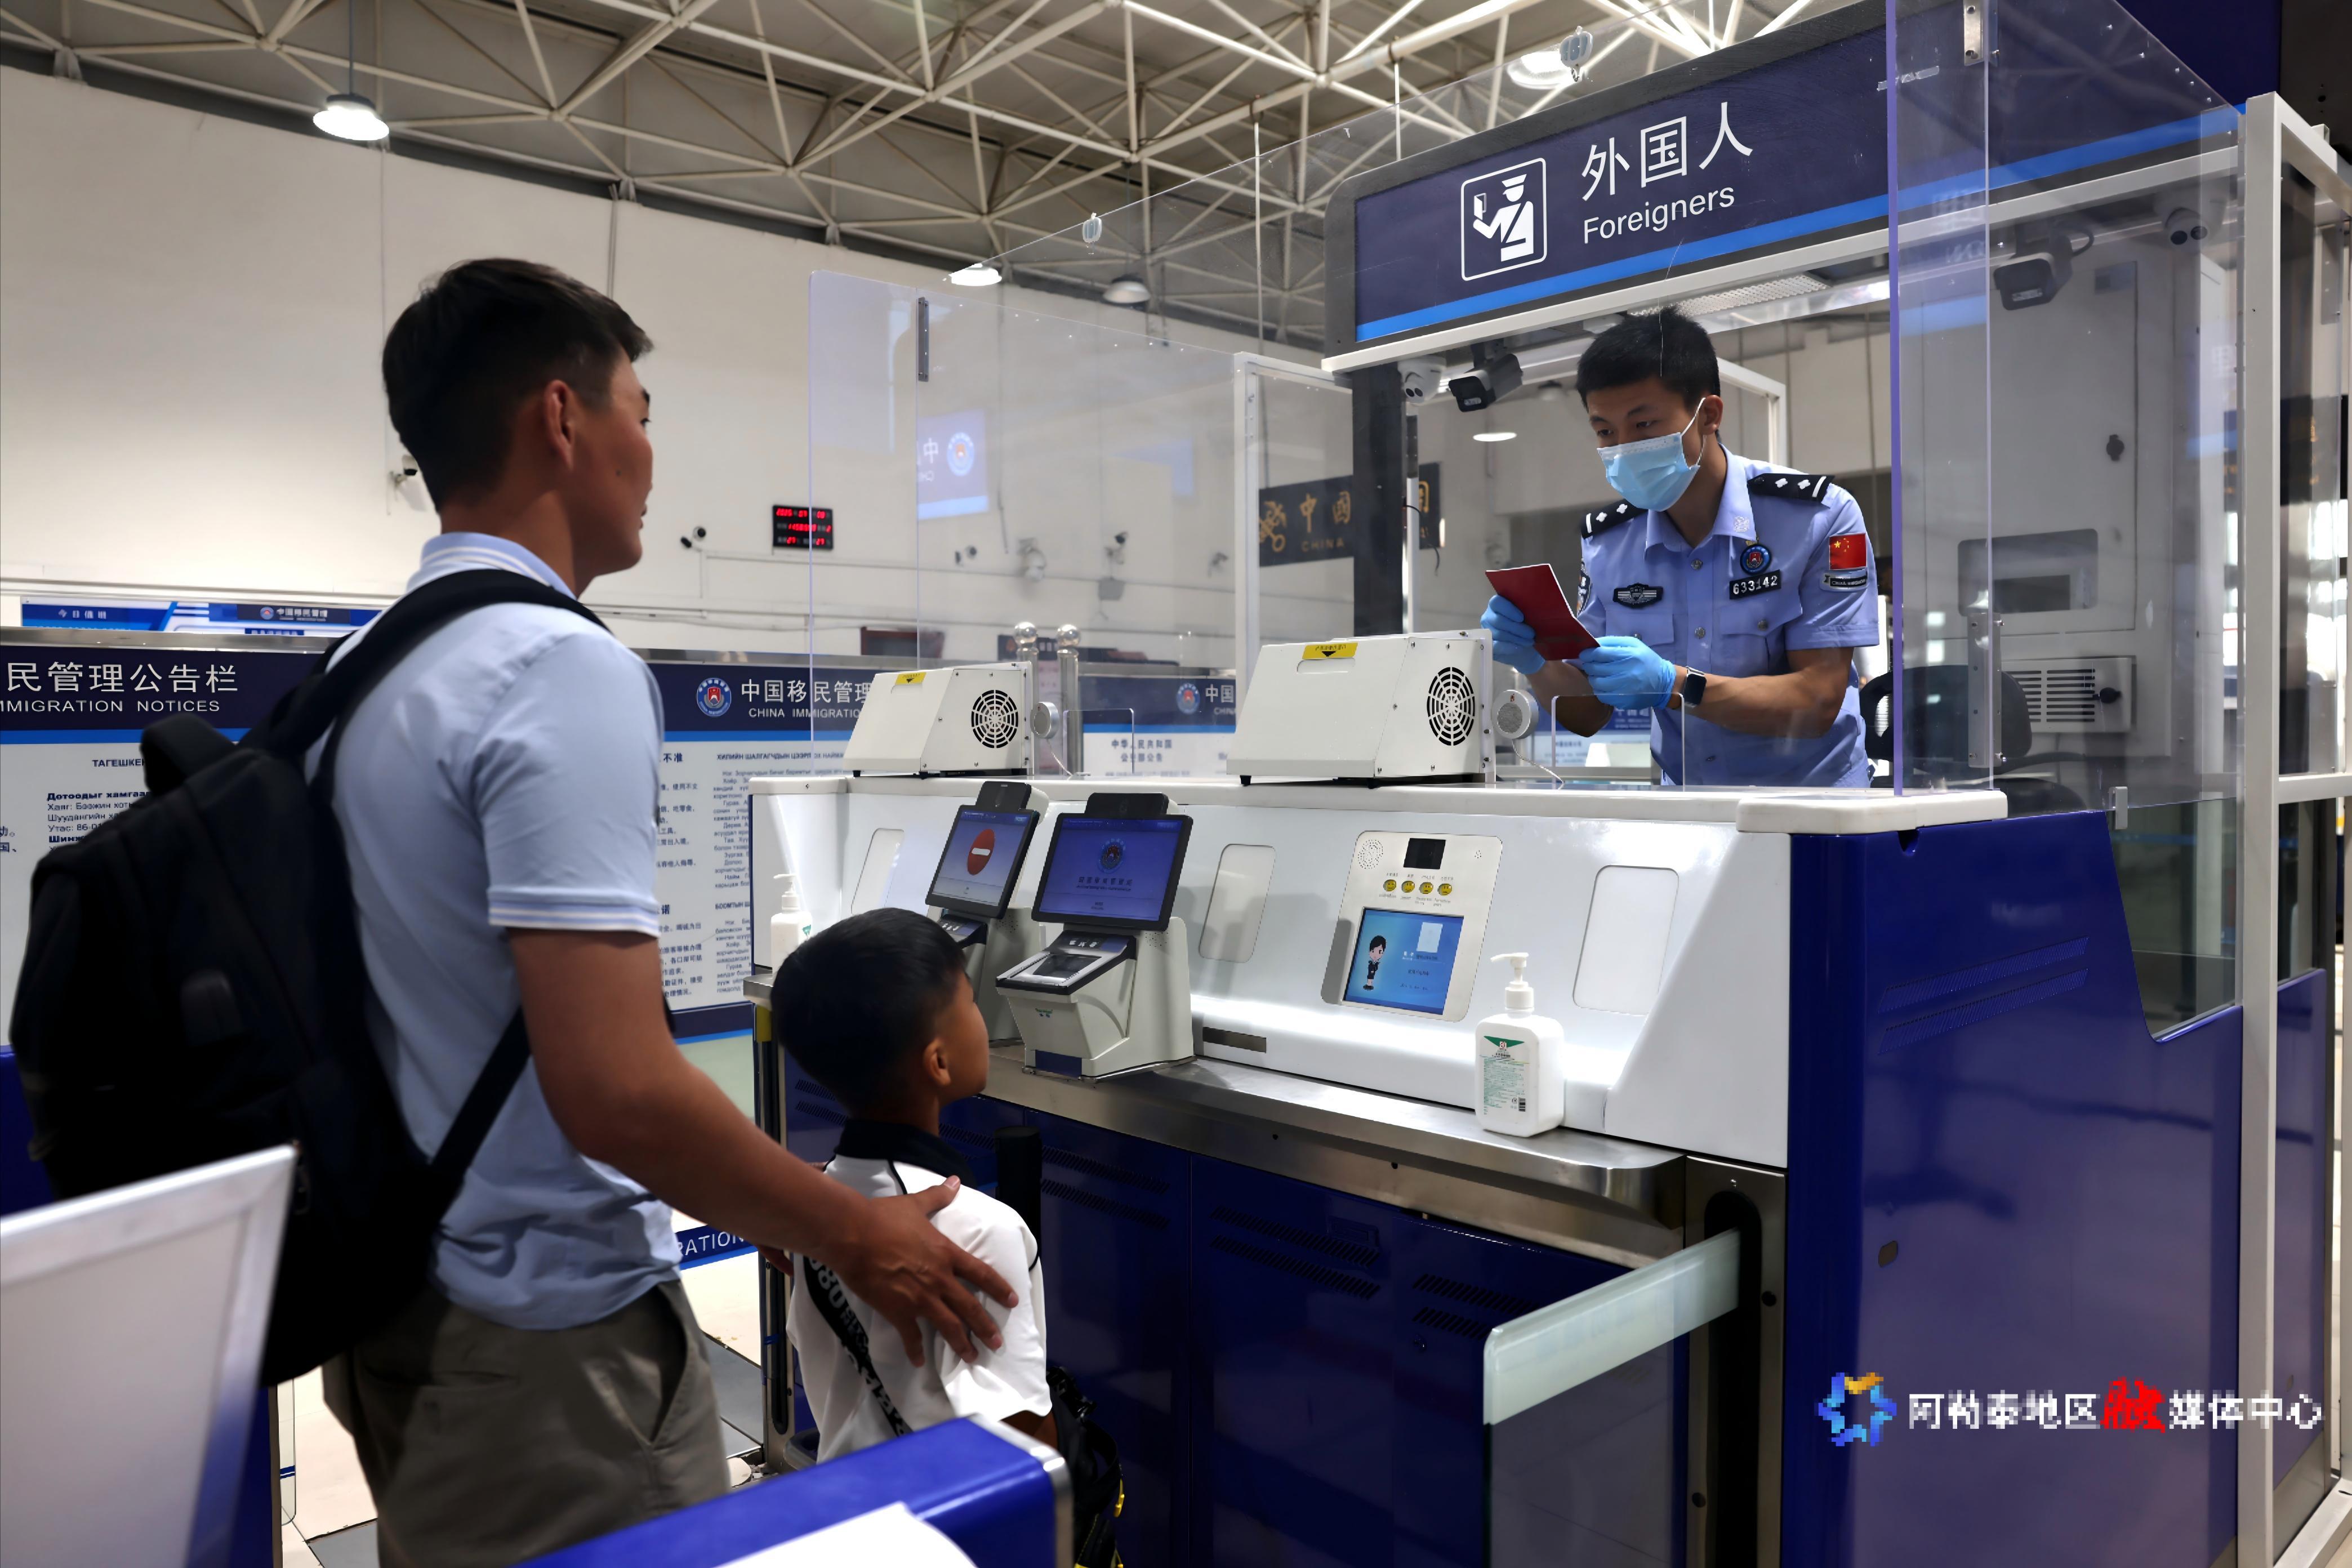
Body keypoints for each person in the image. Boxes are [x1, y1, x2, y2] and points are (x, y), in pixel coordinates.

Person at [320, 259, 1015, 1568]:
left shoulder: (365, 672)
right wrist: (851, 1232)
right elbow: (619, 1091)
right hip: (549, 1357)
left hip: (404, 1309)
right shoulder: (553, 664)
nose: (650, 457)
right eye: (639, 413)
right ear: (561, 417)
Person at [1482, 306, 1879, 787]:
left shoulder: (1821, 518)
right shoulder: (1608, 544)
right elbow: (1588, 714)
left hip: (1813, 805)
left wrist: (1676, 685)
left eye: (1644, 425)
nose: (1623, 447)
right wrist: (1536, 661)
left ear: (1708, 415)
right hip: (1687, 808)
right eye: (1605, 431)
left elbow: (1817, 701)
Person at [776, 910, 1054, 1460]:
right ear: (939, 1061)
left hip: (852, 1496)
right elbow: (1023, 1452)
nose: (981, 1017)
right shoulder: (983, 1229)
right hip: (947, 1512)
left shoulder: (819, 1213)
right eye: (970, 1001)